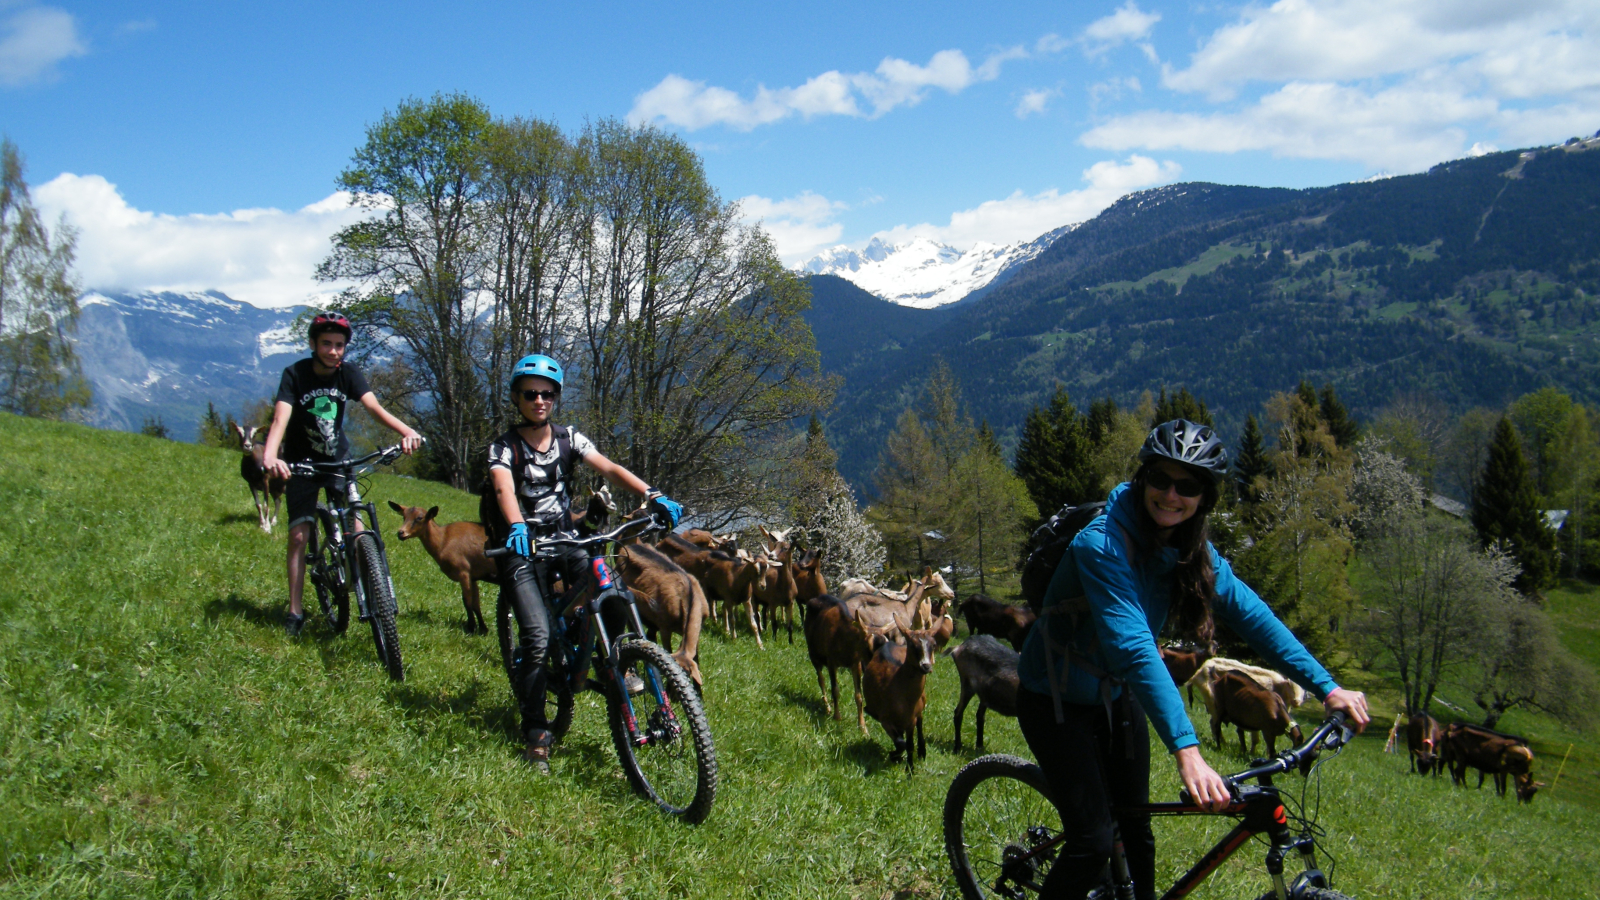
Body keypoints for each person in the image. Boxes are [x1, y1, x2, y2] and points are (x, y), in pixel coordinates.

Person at [1015, 419, 1370, 900]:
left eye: (1187, 486)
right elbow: (1135, 646)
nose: (1170, 495)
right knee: (1093, 841)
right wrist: (1188, 750)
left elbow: (1251, 615)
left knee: (1136, 828)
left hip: (1116, 693)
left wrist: (1327, 687)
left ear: (1204, 498)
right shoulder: (1100, 546)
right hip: (1054, 698)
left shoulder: (1188, 547)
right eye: (1160, 479)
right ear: (1143, 480)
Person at [484, 353, 682, 772]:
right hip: (523, 548)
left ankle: (614, 660)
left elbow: (608, 467)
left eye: (548, 393)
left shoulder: (568, 438)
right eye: (531, 393)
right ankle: (537, 732)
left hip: (566, 538)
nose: (540, 400)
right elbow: (503, 490)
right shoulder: (503, 447)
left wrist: (652, 494)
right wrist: (517, 526)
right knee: (537, 639)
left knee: (612, 592)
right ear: (517, 397)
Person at [262, 312, 422, 637]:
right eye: (326, 344)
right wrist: (269, 453)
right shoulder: (294, 375)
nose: (333, 351)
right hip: (301, 462)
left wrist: (408, 431)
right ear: (313, 344)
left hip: (337, 458)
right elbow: (280, 419)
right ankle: (295, 610)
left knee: (358, 528)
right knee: (297, 537)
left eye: (339, 345)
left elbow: (374, 408)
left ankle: (368, 579)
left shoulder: (347, 373)